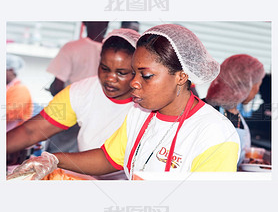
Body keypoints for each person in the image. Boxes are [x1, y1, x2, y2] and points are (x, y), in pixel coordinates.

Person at [8, 24, 241, 181]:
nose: (134, 83)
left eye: (145, 75)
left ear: (181, 76)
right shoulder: (140, 113)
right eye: (134, 73)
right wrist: (55, 159)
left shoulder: (215, 135)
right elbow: (108, 157)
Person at [7, 28, 140, 180]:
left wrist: (56, 160)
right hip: (87, 176)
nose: (110, 78)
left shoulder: (146, 105)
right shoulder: (81, 92)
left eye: (121, 73)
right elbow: (32, 131)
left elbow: (109, 159)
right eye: (104, 68)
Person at [205, 54, 265, 165]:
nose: (257, 91)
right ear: (244, 84)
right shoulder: (204, 110)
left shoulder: (238, 116)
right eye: (257, 85)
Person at [47, 21, 109, 96]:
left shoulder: (71, 47)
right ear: (107, 23)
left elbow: (57, 87)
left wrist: (52, 89)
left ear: (84, 22)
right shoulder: (114, 52)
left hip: (72, 104)